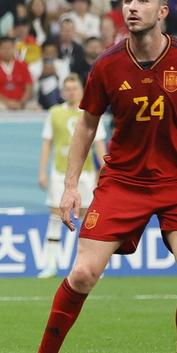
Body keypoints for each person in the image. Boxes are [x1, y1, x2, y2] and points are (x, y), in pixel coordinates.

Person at [12, 0, 177, 353]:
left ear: (162, 11)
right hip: (122, 183)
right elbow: (86, 124)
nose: (132, 6)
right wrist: (71, 185)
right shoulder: (107, 65)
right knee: (83, 273)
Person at [36, 74, 107, 279]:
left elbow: (99, 145)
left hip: (85, 174)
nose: (71, 92)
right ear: (63, 91)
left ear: (82, 90)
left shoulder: (91, 112)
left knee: (87, 219)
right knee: (56, 215)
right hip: (60, 173)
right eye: (67, 88)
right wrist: (42, 171)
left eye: (74, 88)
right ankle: (50, 265)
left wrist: (104, 172)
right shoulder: (55, 113)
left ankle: (88, 265)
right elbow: (47, 143)